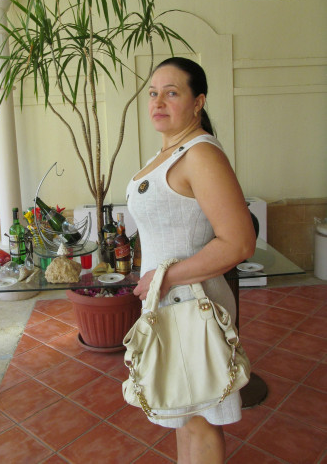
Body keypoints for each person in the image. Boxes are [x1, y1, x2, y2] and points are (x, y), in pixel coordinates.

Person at [126, 57, 256, 464]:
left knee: (199, 421)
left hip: (192, 303)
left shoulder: (200, 154)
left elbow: (239, 243)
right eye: (153, 93)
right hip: (169, 302)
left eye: (172, 93)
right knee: (184, 414)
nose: (158, 101)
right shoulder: (170, 151)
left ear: (198, 102)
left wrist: (164, 278)